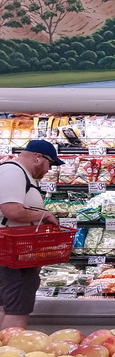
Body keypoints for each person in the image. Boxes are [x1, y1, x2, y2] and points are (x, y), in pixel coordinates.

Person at [0, 140, 64, 329]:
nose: (49, 170)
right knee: (17, 309)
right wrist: (43, 215)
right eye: (50, 164)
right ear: (38, 158)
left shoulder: (16, 173)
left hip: (10, 251)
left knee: (5, 306)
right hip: (14, 254)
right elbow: (12, 211)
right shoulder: (13, 172)